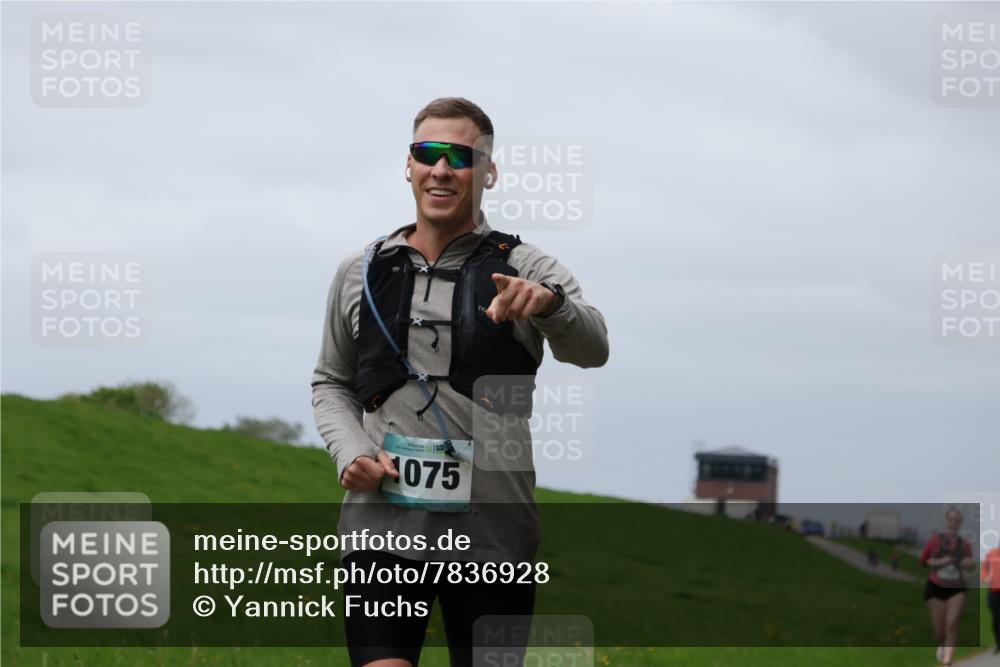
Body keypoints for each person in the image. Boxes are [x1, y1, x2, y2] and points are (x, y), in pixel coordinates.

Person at [311, 97, 609, 667]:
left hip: (495, 534)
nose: (441, 169)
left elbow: (594, 347)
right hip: (382, 529)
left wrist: (549, 306)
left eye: (460, 156)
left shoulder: (527, 265)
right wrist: (348, 450)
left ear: (489, 172)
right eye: (428, 154)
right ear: (409, 165)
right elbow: (330, 381)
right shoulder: (360, 269)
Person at [920, 507, 976, 666]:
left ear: (960, 523)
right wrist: (940, 562)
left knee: (952, 624)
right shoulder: (935, 540)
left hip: (957, 588)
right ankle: (943, 646)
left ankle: (947, 663)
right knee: (940, 632)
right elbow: (923, 560)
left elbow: (970, 565)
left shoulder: (965, 544)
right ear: (946, 520)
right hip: (935, 587)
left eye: (957, 520)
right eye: (951, 519)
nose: (954, 523)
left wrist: (969, 564)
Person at [982, 544, 1000, 654]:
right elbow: (984, 569)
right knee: (997, 619)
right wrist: (985, 578)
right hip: (994, 592)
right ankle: (998, 643)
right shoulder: (991, 554)